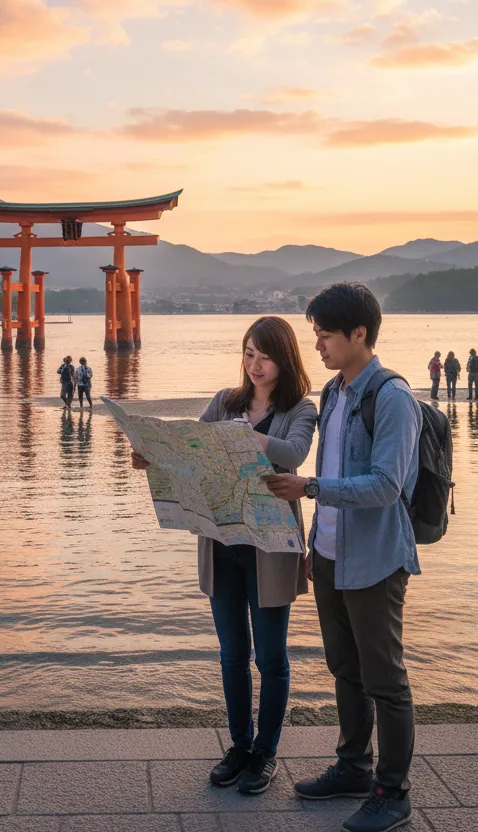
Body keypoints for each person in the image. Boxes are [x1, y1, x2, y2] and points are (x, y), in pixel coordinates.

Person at [134, 317, 316, 795]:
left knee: (270, 657)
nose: (254, 365)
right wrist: (153, 454)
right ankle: (238, 747)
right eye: (249, 354)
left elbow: (293, 454)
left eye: (265, 356)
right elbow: (191, 452)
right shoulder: (225, 401)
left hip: (271, 547)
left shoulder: (301, 408)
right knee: (232, 654)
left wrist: (241, 438)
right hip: (222, 541)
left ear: (285, 359)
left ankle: (266, 751)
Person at [263, 283, 421, 832]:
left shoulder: (391, 397)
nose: (320, 346)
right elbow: (330, 468)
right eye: (316, 335)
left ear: (360, 334)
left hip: (375, 560)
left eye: (326, 335)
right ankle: (354, 767)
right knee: (345, 670)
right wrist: (313, 547)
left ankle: (392, 791)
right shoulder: (333, 393)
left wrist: (308, 489)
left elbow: (385, 485)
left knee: (385, 679)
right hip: (329, 555)